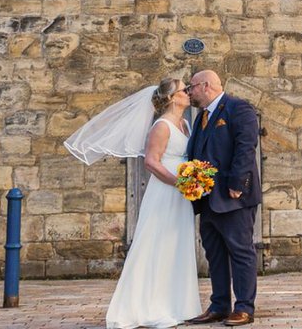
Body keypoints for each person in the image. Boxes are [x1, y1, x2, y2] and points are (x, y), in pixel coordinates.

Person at [64, 79, 201, 329]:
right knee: (156, 242)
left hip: (182, 192)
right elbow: (151, 162)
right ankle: (149, 307)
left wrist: (192, 179)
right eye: (184, 90)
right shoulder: (162, 126)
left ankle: (177, 304)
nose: (188, 93)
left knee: (176, 243)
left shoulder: (186, 124)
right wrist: (178, 182)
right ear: (171, 98)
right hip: (166, 191)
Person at [184, 71, 260, 327]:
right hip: (206, 199)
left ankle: (244, 308)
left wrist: (237, 185)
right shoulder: (201, 117)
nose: (188, 92)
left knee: (240, 251)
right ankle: (219, 306)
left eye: (191, 87)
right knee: (214, 253)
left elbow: (246, 146)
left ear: (205, 86)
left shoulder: (239, 108)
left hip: (233, 197)